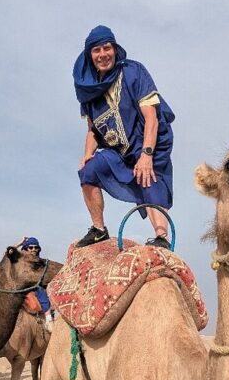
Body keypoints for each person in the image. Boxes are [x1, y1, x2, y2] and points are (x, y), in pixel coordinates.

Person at [73, 24, 175, 249]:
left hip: (147, 142)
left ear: (115, 49)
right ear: (90, 55)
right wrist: (87, 155)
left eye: (106, 48)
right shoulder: (88, 91)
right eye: (96, 50)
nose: (103, 55)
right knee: (87, 171)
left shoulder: (133, 72)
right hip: (118, 149)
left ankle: (161, 238)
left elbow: (151, 117)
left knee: (147, 177)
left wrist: (147, 154)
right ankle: (99, 229)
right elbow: (93, 129)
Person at [16, 237, 54, 332]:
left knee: (41, 290)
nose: (33, 250)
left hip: (34, 286)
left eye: (36, 247)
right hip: (20, 286)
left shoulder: (40, 263)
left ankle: (48, 319)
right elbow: (7, 255)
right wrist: (19, 243)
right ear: (25, 248)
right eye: (30, 247)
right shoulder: (19, 260)